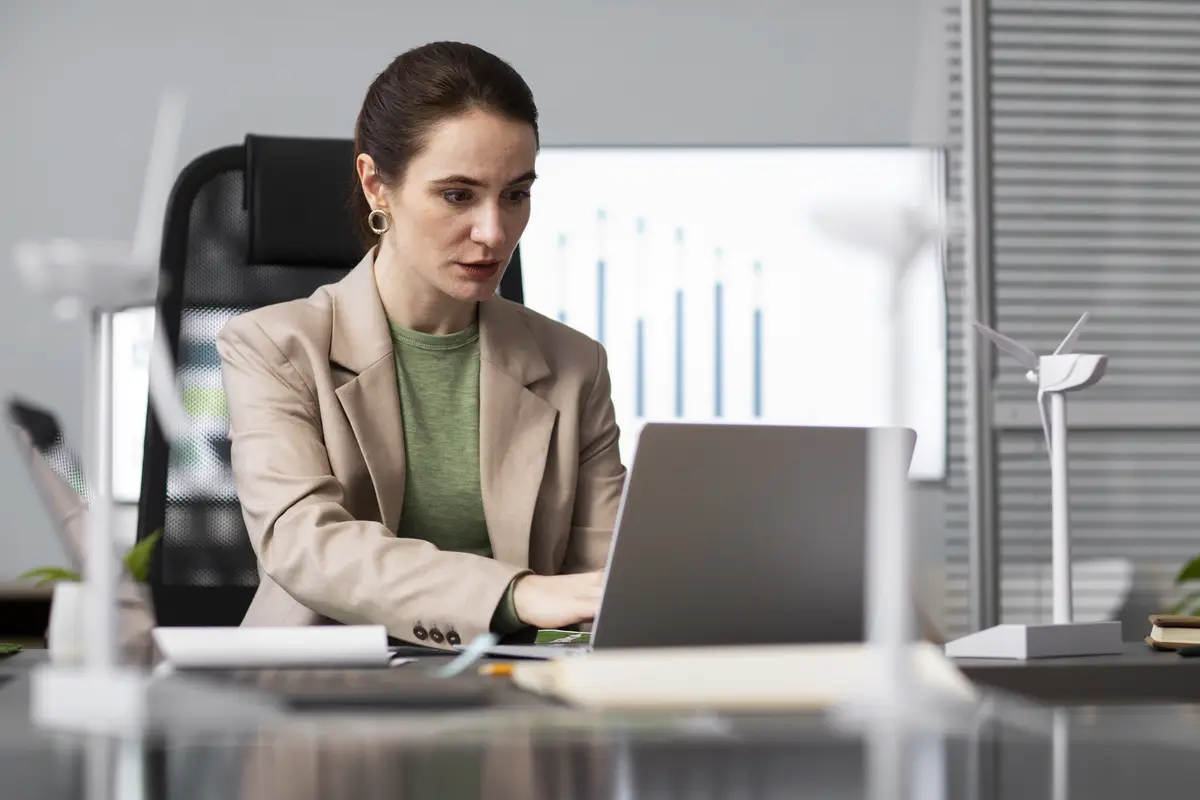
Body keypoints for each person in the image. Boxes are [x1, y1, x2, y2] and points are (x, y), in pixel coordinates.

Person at [216, 41, 626, 649]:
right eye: (458, 195)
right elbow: (305, 544)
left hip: (512, 701)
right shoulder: (273, 347)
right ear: (377, 185)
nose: (494, 232)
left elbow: (609, 578)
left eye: (515, 194)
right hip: (320, 702)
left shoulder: (573, 365)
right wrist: (515, 593)